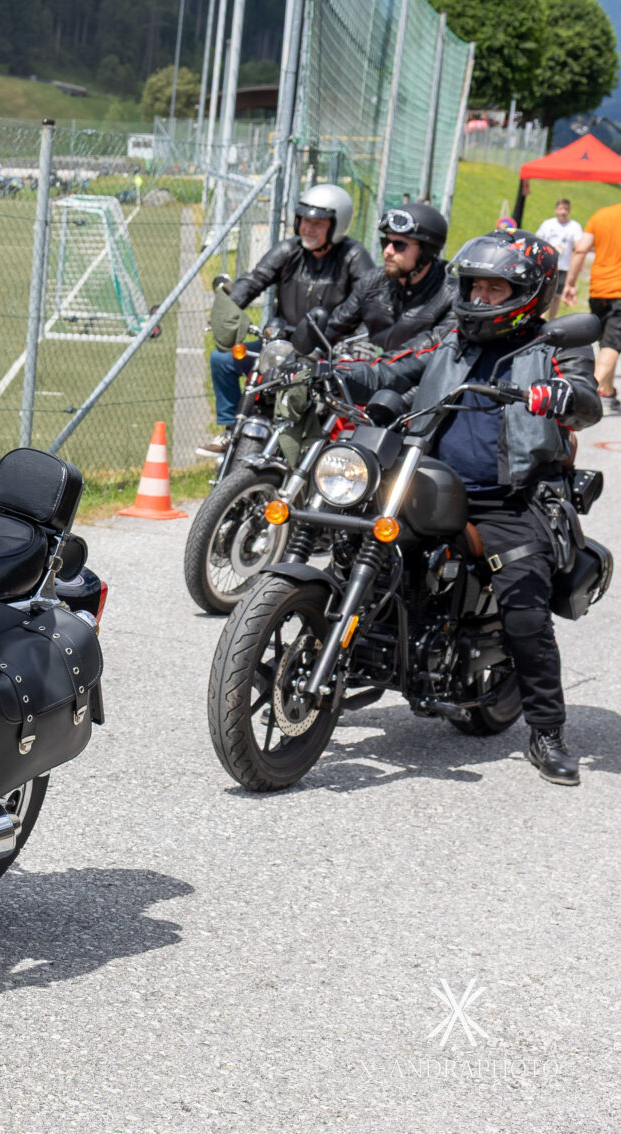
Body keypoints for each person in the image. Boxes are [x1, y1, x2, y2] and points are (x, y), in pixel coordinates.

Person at [335, 230, 600, 786]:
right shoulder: (451, 338)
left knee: (525, 607)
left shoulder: (555, 345)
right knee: (352, 538)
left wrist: (561, 395)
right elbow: (392, 368)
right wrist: (328, 371)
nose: (480, 298)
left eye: (494, 288)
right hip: (430, 484)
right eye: (475, 286)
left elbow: (586, 399)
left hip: (511, 498)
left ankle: (547, 732)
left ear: (529, 294)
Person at [202, 183, 373, 454]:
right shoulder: (289, 250)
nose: (308, 228)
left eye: (318, 223)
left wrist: (359, 341)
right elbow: (255, 279)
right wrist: (228, 310)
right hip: (282, 343)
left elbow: (371, 299)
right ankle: (229, 427)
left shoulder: (353, 256)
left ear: (336, 225)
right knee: (222, 360)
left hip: (327, 349)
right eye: (305, 220)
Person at [325, 203, 456, 352]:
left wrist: (375, 361)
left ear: (426, 250)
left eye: (399, 245)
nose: (388, 251)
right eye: (385, 242)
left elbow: (430, 354)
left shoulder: (451, 296)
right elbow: (332, 330)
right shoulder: (372, 282)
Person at [561, 201, 621, 414]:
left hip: (598, 291)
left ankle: (607, 392)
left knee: (607, 344)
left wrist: (569, 283)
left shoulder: (601, 215)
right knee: (612, 345)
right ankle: (583, 393)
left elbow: (580, 250)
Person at [534, 197, 581, 319]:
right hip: (547, 265)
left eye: (566, 209)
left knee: (556, 297)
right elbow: (538, 240)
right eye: (561, 209)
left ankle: (551, 321)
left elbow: (579, 246)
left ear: (569, 211)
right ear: (556, 210)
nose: (563, 212)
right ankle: (540, 319)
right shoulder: (548, 224)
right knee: (544, 294)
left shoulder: (574, 226)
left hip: (564, 267)